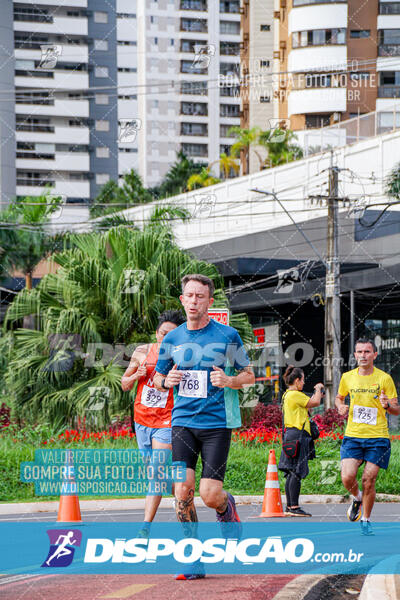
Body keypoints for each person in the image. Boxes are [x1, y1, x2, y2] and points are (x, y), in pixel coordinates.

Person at [153, 274, 255, 580]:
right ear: (182, 300)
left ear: (210, 302)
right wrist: (165, 380)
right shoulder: (172, 339)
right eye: (189, 296)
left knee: (209, 494)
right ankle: (193, 557)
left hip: (216, 423)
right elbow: (157, 378)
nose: (194, 301)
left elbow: (248, 374)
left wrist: (230, 380)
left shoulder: (227, 336)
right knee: (181, 490)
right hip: (182, 422)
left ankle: (226, 509)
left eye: (200, 296)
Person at [121, 310, 185, 537]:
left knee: (156, 472)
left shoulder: (182, 355)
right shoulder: (142, 351)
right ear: (157, 333)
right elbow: (124, 384)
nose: (165, 338)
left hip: (166, 420)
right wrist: (135, 375)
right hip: (141, 420)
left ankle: (145, 527)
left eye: (171, 334)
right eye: (163, 333)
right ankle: (181, 490)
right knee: (157, 475)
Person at [335, 338, 399, 535]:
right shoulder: (347, 377)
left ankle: (366, 520)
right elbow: (339, 397)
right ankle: (357, 497)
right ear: (355, 355)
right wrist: (340, 406)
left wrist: (387, 405)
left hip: (378, 438)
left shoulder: (384, 378)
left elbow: (396, 409)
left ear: (375, 355)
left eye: (367, 352)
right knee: (347, 477)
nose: (363, 355)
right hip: (353, 436)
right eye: (359, 352)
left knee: (369, 479)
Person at [278, 365, 324, 517]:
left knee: (291, 471)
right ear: (297, 380)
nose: (304, 383)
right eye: (303, 380)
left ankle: (290, 506)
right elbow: (316, 403)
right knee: (296, 471)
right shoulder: (294, 394)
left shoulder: (287, 395)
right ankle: (294, 507)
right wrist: (318, 389)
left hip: (290, 435)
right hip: (297, 435)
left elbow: (309, 404)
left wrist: (314, 396)